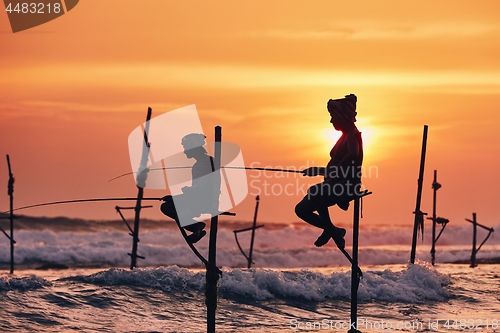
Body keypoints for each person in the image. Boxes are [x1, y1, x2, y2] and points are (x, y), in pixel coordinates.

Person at [295, 94, 363, 249]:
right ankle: (334, 230)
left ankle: (329, 230)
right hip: (335, 183)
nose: (332, 121)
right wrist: (318, 170)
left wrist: (334, 172)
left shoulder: (353, 134)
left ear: (343, 118)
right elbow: (337, 166)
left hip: (347, 185)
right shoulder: (344, 136)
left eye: (334, 117)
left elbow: (353, 153)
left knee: (314, 191)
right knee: (301, 210)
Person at [160, 133, 218, 243]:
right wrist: (174, 197)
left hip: (207, 201)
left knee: (168, 207)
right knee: (166, 206)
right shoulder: (196, 166)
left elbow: (205, 187)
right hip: (198, 199)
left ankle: (197, 227)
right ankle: (197, 228)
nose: (185, 151)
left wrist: (186, 192)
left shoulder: (209, 162)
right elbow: (195, 191)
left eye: (186, 148)